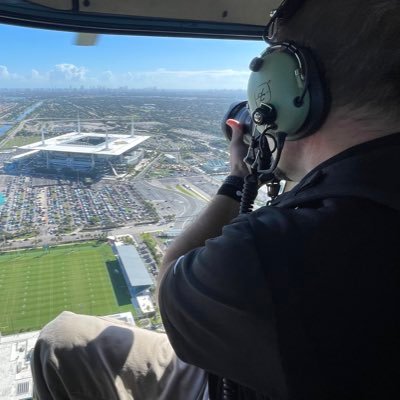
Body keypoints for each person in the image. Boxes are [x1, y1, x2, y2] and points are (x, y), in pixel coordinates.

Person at [31, 0, 400, 399]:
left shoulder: (279, 250)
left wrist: (238, 179)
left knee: (61, 341)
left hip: (232, 384)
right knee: (65, 341)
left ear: (291, 88)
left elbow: (169, 294)